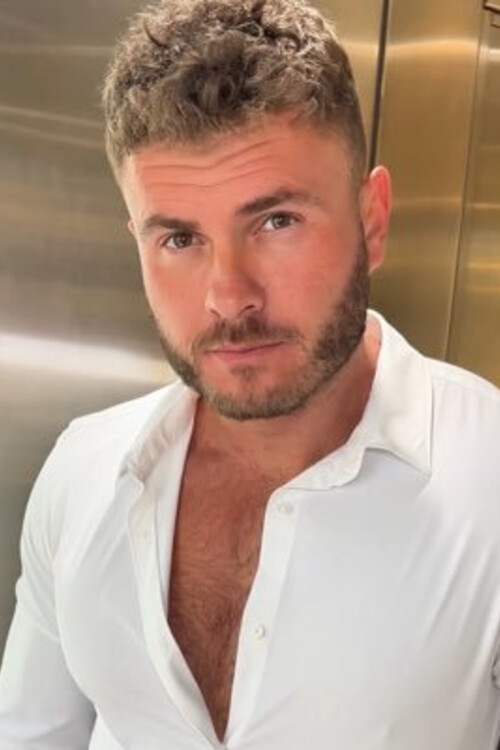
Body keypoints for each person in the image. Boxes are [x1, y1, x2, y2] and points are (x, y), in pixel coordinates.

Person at [1, 0, 500, 747]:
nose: (229, 296)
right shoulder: (83, 469)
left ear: (372, 218)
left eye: (276, 222)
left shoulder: (489, 479)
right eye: (179, 239)